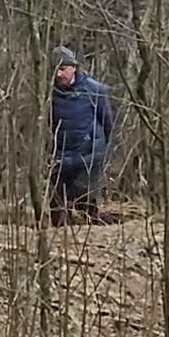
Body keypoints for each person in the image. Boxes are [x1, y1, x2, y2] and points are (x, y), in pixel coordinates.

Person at [49, 46, 116, 224]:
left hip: (88, 155)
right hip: (60, 155)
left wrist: (99, 148)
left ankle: (94, 227)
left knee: (83, 200)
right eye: (55, 70)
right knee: (56, 204)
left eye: (63, 69)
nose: (58, 74)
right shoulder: (48, 92)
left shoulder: (95, 90)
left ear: (74, 68)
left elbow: (107, 122)